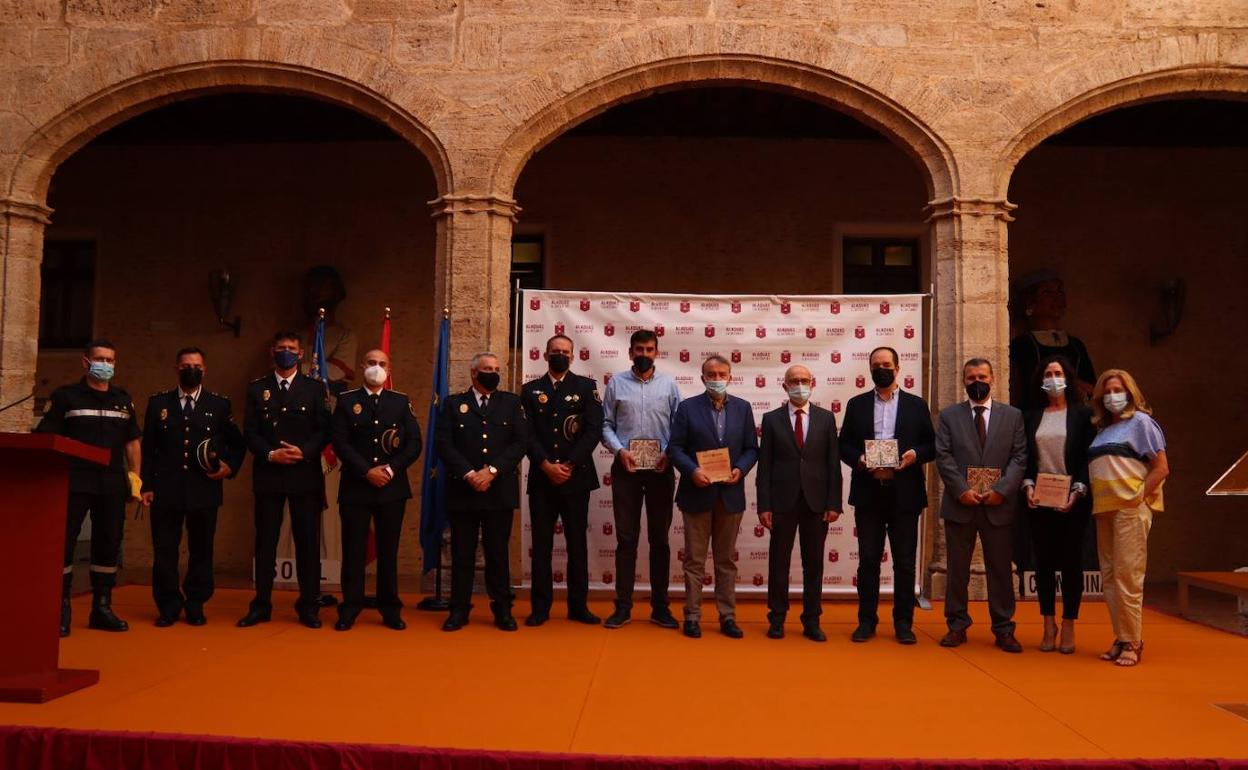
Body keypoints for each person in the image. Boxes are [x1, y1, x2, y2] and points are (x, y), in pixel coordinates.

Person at [36, 339, 142, 636]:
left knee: (108, 542)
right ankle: (61, 608)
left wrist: (135, 478)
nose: (105, 365)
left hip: (111, 483)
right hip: (74, 482)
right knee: (65, 543)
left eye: (110, 360)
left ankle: (102, 607)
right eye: (100, 359)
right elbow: (48, 438)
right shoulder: (65, 397)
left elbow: (132, 443)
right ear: (86, 362)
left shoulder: (123, 400)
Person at [139, 347, 245, 627]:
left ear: (204, 370)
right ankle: (168, 605)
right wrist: (146, 485)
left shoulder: (218, 404)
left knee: (201, 550)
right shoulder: (159, 403)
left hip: (204, 490)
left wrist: (229, 467)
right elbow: (148, 449)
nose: (191, 370)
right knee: (165, 551)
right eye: (186, 365)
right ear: (176, 368)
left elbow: (238, 443)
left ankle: (196, 603)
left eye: (196, 366)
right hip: (166, 490)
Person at [838, 346, 936, 645]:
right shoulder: (856, 404)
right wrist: (859, 459)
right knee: (868, 560)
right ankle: (866, 621)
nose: (881, 369)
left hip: (905, 494)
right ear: (870, 369)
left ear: (897, 368)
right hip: (869, 493)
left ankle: (903, 623)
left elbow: (931, 445)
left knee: (904, 562)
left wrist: (914, 454)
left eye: (886, 364)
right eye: (876, 365)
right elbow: (844, 445)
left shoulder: (916, 405)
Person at [238, 331, 331, 629]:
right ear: (272, 351)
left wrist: (304, 452)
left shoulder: (314, 388)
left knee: (307, 543)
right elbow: (250, 432)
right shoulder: (257, 388)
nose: (286, 352)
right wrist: (270, 454)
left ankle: (308, 606)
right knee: (266, 542)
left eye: (292, 348)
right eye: (281, 348)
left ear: (301, 354)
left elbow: (324, 430)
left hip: (304, 475)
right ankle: (261, 605)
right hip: (269, 474)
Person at [935, 358, 1027, 653]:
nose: (977, 382)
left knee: (1000, 569)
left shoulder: (1013, 416)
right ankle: (957, 625)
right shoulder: (949, 416)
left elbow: (1019, 457)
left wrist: (1002, 490)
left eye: (982, 377)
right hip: (960, 505)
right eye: (971, 377)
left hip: (998, 506)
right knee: (957, 570)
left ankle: (1004, 628)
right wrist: (960, 490)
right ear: (963, 381)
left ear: (993, 379)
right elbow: (943, 456)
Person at [434, 352, 530, 632]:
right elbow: (444, 443)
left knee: (497, 553)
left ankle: (502, 609)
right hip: (463, 490)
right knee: (462, 554)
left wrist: (492, 471)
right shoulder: (454, 404)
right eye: (488, 368)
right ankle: (459, 610)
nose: (494, 373)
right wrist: (470, 474)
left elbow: (520, 442)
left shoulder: (511, 403)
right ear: (474, 372)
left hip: (498, 490)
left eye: (497, 369)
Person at [329, 349, 422, 631]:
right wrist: (366, 471)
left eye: (382, 364)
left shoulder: (400, 401)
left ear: (389, 370)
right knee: (353, 551)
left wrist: (390, 470)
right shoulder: (347, 401)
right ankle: (350, 607)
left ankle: (390, 609)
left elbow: (414, 443)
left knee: (388, 551)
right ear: (362, 366)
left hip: (391, 488)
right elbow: (340, 441)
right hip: (356, 486)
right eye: (371, 363)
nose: (376, 367)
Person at [667, 355, 759, 639]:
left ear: (730, 377)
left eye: (722, 374)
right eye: (711, 374)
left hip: (729, 495)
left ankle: (727, 616)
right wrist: (692, 470)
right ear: (702, 377)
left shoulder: (743, 408)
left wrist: (740, 469)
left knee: (725, 561)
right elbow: (675, 448)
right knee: (694, 560)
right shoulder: (687, 408)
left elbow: (751, 448)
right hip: (696, 493)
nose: (717, 379)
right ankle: (692, 616)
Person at [599, 329, 683, 630]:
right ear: (630, 352)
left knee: (659, 540)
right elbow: (605, 424)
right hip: (627, 470)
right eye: (639, 349)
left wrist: (669, 454)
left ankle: (660, 607)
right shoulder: (616, 383)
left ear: (656, 353)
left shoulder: (669, 384)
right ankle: (622, 607)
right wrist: (619, 451)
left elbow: (679, 426)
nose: (644, 354)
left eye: (649, 349)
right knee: (626, 540)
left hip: (661, 470)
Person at [520, 334, 603, 626]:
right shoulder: (530, 390)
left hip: (575, 477)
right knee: (541, 546)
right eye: (555, 351)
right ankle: (540, 608)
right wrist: (545, 465)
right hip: (543, 478)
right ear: (545, 355)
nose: (560, 355)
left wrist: (568, 464)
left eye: (565, 352)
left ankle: (578, 606)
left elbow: (593, 430)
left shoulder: (586, 388)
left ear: (573, 356)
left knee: (577, 544)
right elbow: (526, 434)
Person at [1088, 369, 1168, 668]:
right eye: (1107, 392)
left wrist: (1139, 496)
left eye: (1118, 390)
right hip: (1104, 509)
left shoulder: (1141, 423)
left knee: (1128, 576)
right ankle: (1121, 637)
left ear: (1130, 393)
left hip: (1129, 509)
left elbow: (1161, 467)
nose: (1112, 396)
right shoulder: (1103, 430)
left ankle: (1133, 641)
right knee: (1110, 578)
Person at [755, 364, 842, 642]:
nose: (799, 385)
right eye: (794, 381)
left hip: (817, 503)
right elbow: (764, 466)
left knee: (813, 564)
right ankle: (777, 618)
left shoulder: (826, 419)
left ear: (812, 384)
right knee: (778, 563)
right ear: (785, 386)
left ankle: (812, 620)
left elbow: (833, 464)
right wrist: (764, 505)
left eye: (804, 380)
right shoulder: (771, 419)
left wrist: (834, 503)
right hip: (782, 502)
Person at [1021, 355, 1095, 653]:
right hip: (1040, 500)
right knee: (1044, 563)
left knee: (1071, 563)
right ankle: (1048, 623)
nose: (1053, 378)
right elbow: (1026, 458)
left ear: (1067, 378)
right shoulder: (1031, 417)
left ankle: (1068, 624)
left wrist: (1077, 492)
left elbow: (1087, 458)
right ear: (1041, 380)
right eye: (1048, 374)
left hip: (1073, 500)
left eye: (1058, 373)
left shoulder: (1083, 416)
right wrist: (1027, 486)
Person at [1009, 270, 1096, 410]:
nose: (1057, 298)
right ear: (1030, 302)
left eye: (1060, 291)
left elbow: (1091, 388)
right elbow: (1024, 388)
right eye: (1047, 292)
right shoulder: (1022, 345)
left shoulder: (1076, 346)